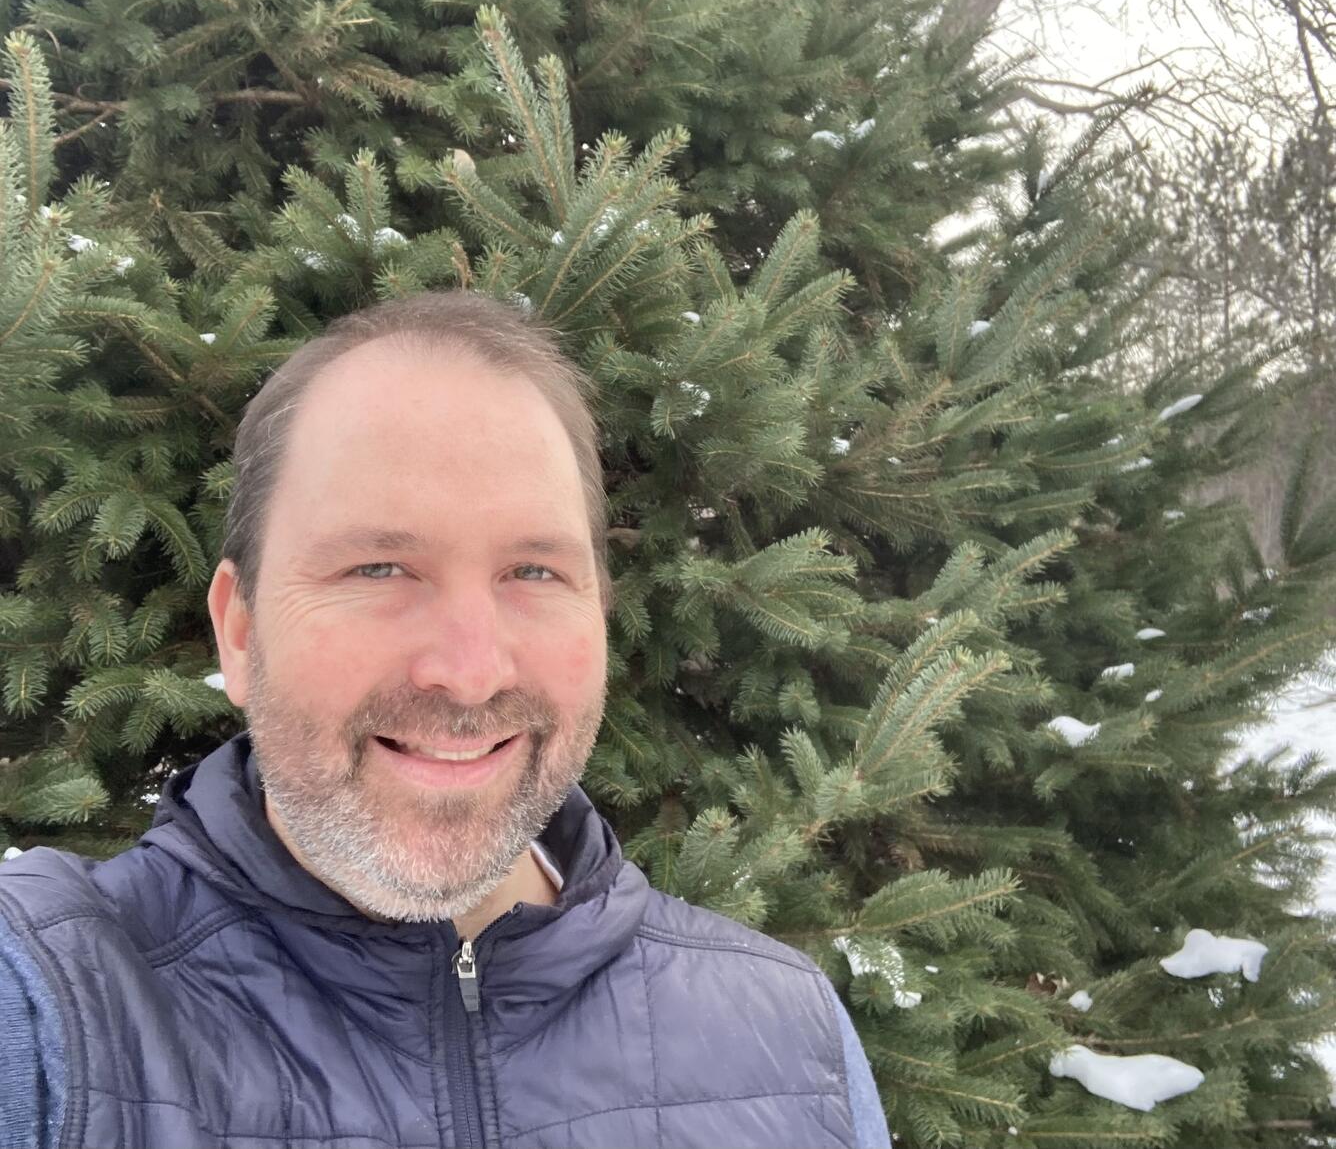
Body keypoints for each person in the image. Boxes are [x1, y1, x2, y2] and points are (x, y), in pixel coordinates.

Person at [0, 291, 891, 1149]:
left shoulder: (791, 1038)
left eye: (535, 573)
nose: (470, 675)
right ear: (239, 629)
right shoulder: (47, 1000)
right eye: (380, 568)